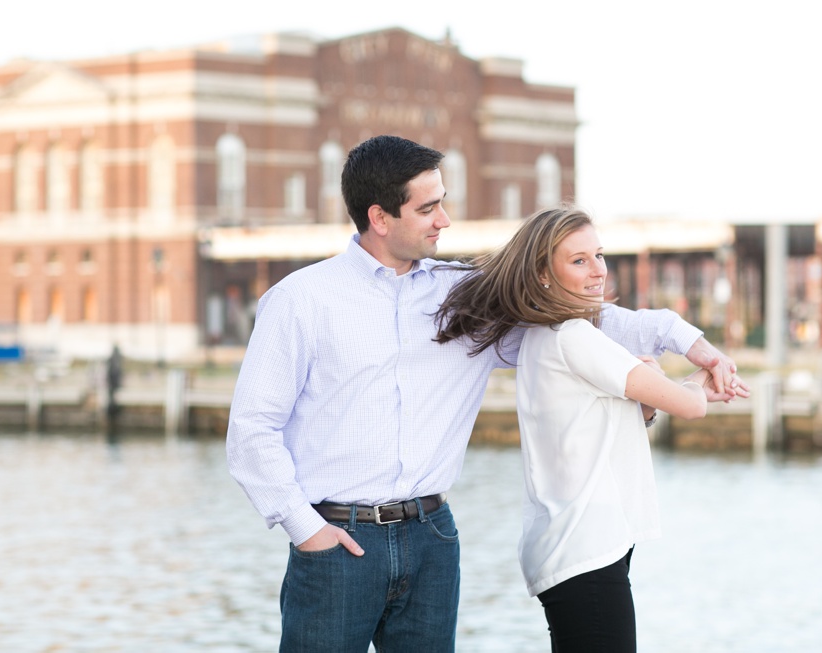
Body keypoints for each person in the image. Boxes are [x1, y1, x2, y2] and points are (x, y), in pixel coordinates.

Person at [226, 135, 747, 653]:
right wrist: (306, 529)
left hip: (432, 540)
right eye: (428, 208)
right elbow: (252, 431)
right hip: (337, 542)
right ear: (380, 217)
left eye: (443, 202)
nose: (444, 220)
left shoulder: (462, 297)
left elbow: (582, 323)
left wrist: (692, 344)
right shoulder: (300, 301)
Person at [434, 207, 722, 652]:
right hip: (585, 551)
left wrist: (653, 393)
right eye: (579, 260)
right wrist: (705, 376)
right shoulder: (575, 337)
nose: (598, 272)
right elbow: (691, 407)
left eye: (599, 256)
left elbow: (608, 425)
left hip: (577, 548)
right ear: (544, 274)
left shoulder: (543, 337)